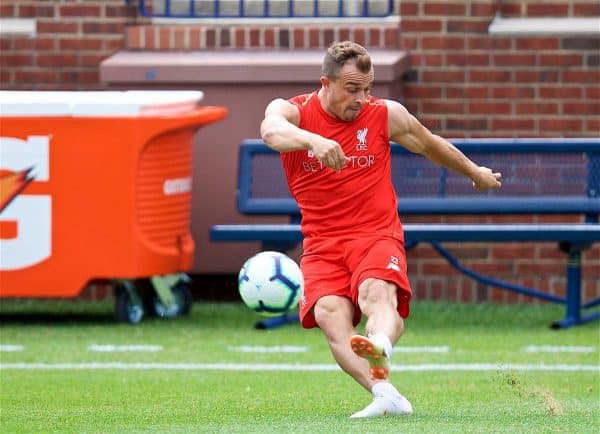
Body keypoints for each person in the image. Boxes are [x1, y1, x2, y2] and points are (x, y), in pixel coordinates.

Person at [259, 41, 502, 418]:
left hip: (375, 234)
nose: (361, 98)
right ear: (326, 82)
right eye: (352, 89)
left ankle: (380, 343)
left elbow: (429, 143)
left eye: (367, 88)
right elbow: (271, 132)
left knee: (377, 295)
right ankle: (384, 393)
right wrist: (314, 140)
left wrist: (475, 173)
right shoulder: (292, 111)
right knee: (329, 315)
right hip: (322, 242)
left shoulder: (384, 115)